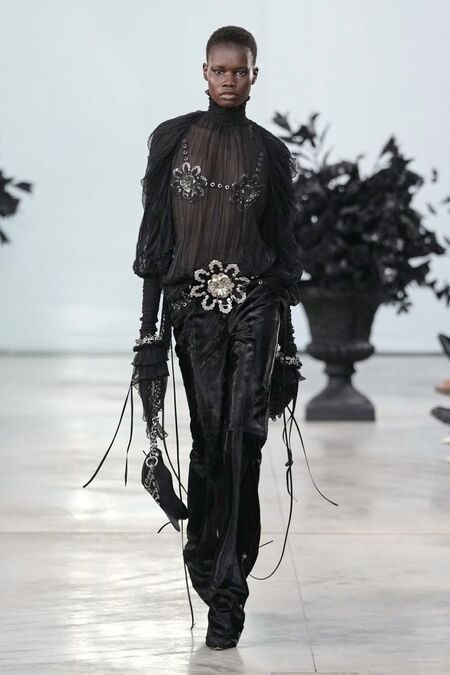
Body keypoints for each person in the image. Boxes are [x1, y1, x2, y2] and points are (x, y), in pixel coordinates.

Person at [83, 25, 336, 651]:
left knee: (244, 436)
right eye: (219, 70)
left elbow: (282, 250)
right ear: (204, 72)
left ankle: (229, 588)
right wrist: (148, 333)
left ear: (255, 75)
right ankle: (205, 552)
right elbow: (156, 241)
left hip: (255, 303)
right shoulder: (172, 141)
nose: (229, 80)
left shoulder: (270, 152)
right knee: (208, 438)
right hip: (189, 307)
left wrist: (287, 346)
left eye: (239, 70)